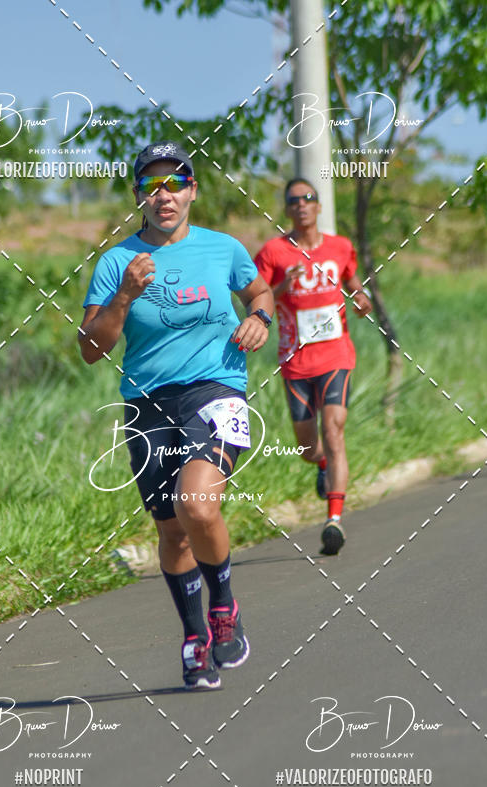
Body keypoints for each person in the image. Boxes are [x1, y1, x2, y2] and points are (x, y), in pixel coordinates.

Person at [79, 142, 274, 689]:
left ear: (193, 191)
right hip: (148, 404)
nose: (164, 195)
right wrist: (124, 296)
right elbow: (91, 348)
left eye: (175, 183)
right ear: (137, 196)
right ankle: (194, 637)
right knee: (171, 529)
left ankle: (224, 606)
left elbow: (259, 291)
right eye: (151, 185)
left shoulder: (223, 248)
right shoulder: (117, 262)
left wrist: (259, 318)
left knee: (197, 505)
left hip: (217, 389)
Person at [254, 178, 372, 555]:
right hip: (295, 362)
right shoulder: (273, 252)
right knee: (308, 447)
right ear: (287, 209)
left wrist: (361, 298)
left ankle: (334, 520)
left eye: (308, 198)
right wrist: (281, 288)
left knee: (334, 430)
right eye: (294, 200)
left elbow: (352, 281)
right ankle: (321, 464)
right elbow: (256, 300)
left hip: (336, 354)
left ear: (318, 206)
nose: (302, 205)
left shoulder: (340, 246)